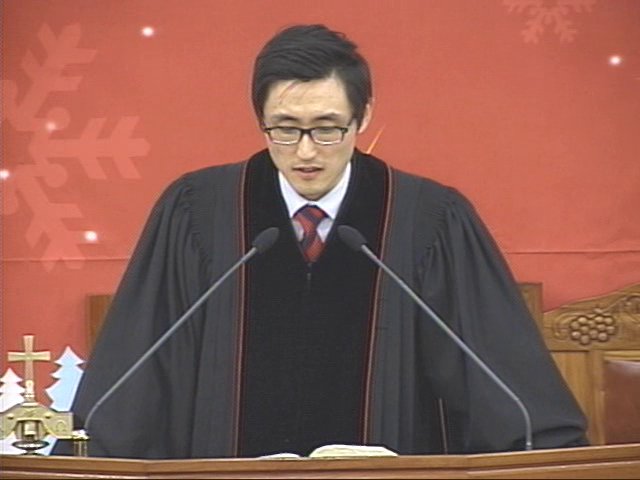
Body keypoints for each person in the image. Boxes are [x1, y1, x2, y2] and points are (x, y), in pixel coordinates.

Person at [56, 24, 587, 459]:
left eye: (328, 128)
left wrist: (544, 452)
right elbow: (140, 374)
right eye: (285, 128)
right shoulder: (198, 212)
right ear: (259, 119)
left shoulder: (429, 220)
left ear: (364, 116)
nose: (306, 152)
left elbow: (496, 374)